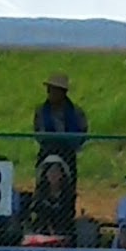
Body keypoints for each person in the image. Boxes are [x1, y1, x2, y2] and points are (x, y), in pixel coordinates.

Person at [33, 72, 87, 209]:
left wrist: (69, 142)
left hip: (67, 152)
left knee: (68, 186)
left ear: (63, 92)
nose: (51, 93)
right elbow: (38, 131)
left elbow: (82, 132)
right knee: (43, 183)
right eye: (50, 90)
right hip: (47, 150)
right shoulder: (41, 111)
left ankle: (66, 215)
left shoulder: (75, 112)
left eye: (54, 90)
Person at [30, 155, 76, 242]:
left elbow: (67, 215)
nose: (53, 174)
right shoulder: (40, 194)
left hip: (63, 232)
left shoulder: (67, 195)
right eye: (50, 171)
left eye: (56, 171)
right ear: (45, 174)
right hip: (42, 233)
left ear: (62, 174)